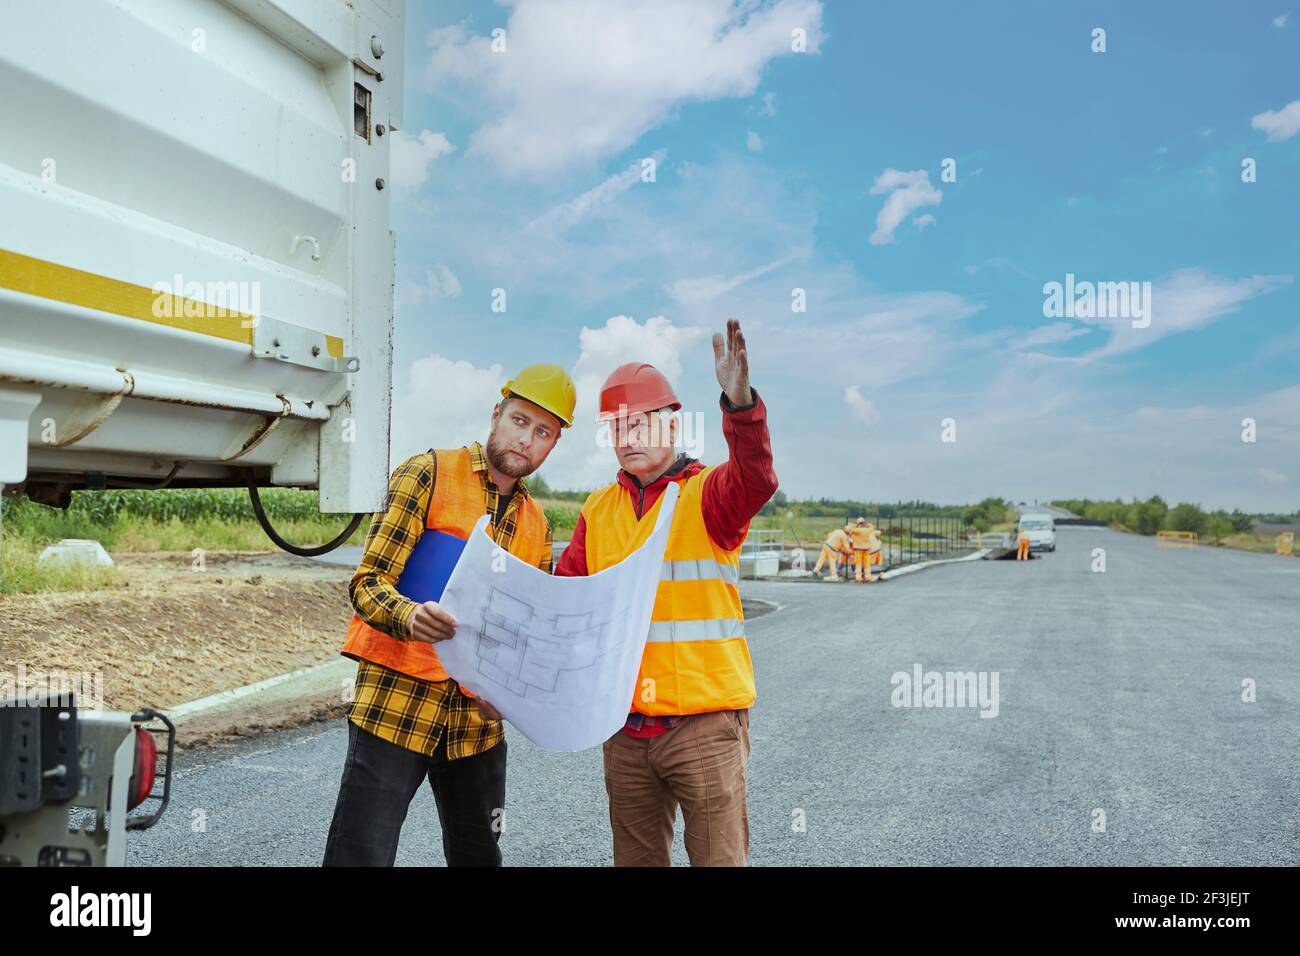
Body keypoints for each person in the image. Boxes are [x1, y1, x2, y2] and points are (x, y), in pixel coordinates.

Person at [322, 364, 576, 867]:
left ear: (552, 446)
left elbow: (523, 635)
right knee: (360, 856)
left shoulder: (537, 524)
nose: (527, 439)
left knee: (479, 858)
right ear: (496, 414)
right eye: (520, 421)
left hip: (476, 726)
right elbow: (367, 582)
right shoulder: (429, 473)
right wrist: (411, 617)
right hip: (397, 706)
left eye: (543, 432)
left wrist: (512, 697)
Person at [556, 319, 777, 866]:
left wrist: (740, 403)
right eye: (615, 428)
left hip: (702, 727)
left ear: (671, 426)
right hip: (625, 733)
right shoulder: (597, 510)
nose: (626, 439)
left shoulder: (707, 495)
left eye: (638, 424)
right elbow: (566, 607)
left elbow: (756, 478)